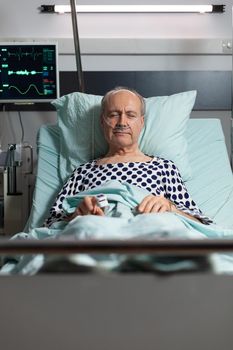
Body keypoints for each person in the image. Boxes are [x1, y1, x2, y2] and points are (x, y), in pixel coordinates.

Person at [44, 86, 212, 227]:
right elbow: (50, 224)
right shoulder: (83, 171)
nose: (122, 122)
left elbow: (200, 223)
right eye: (114, 114)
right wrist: (77, 216)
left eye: (130, 115)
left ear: (141, 123)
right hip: (96, 234)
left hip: (148, 232)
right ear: (102, 122)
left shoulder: (164, 167)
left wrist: (169, 207)